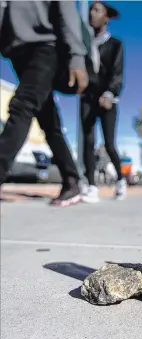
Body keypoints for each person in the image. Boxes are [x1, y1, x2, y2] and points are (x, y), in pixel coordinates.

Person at [0, 1, 89, 206]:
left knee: (22, 106)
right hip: (17, 52)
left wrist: (76, 56)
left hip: (46, 47)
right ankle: (71, 180)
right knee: (48, 120)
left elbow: (66, 10)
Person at [80, 1, 126, 203]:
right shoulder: (84, 45)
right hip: (88, 98)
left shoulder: (115, 44)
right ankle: (91, 185)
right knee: (87, 141)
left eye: (97, 10)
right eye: (90, 10)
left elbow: (117, 74)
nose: (92, 13)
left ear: (106, 18)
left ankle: (121, 180)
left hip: (108, 99)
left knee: (108, 144)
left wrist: (109, 93)